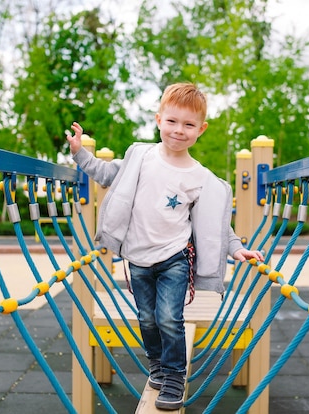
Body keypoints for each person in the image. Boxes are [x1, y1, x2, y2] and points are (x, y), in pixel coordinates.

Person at [65, 82, 264, 411]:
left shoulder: (200, 177)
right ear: (158, 119)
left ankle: (174, 374)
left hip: (175, 258)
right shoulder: (140, 157)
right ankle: (157, 364)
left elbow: (215, 224)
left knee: (169, 318)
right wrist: (79, 154)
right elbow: (105, 174)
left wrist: (235, 247)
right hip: (139, 259)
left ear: (202, 129)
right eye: (172, 121)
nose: (179, 130)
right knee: (147, 319)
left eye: (188, 125)